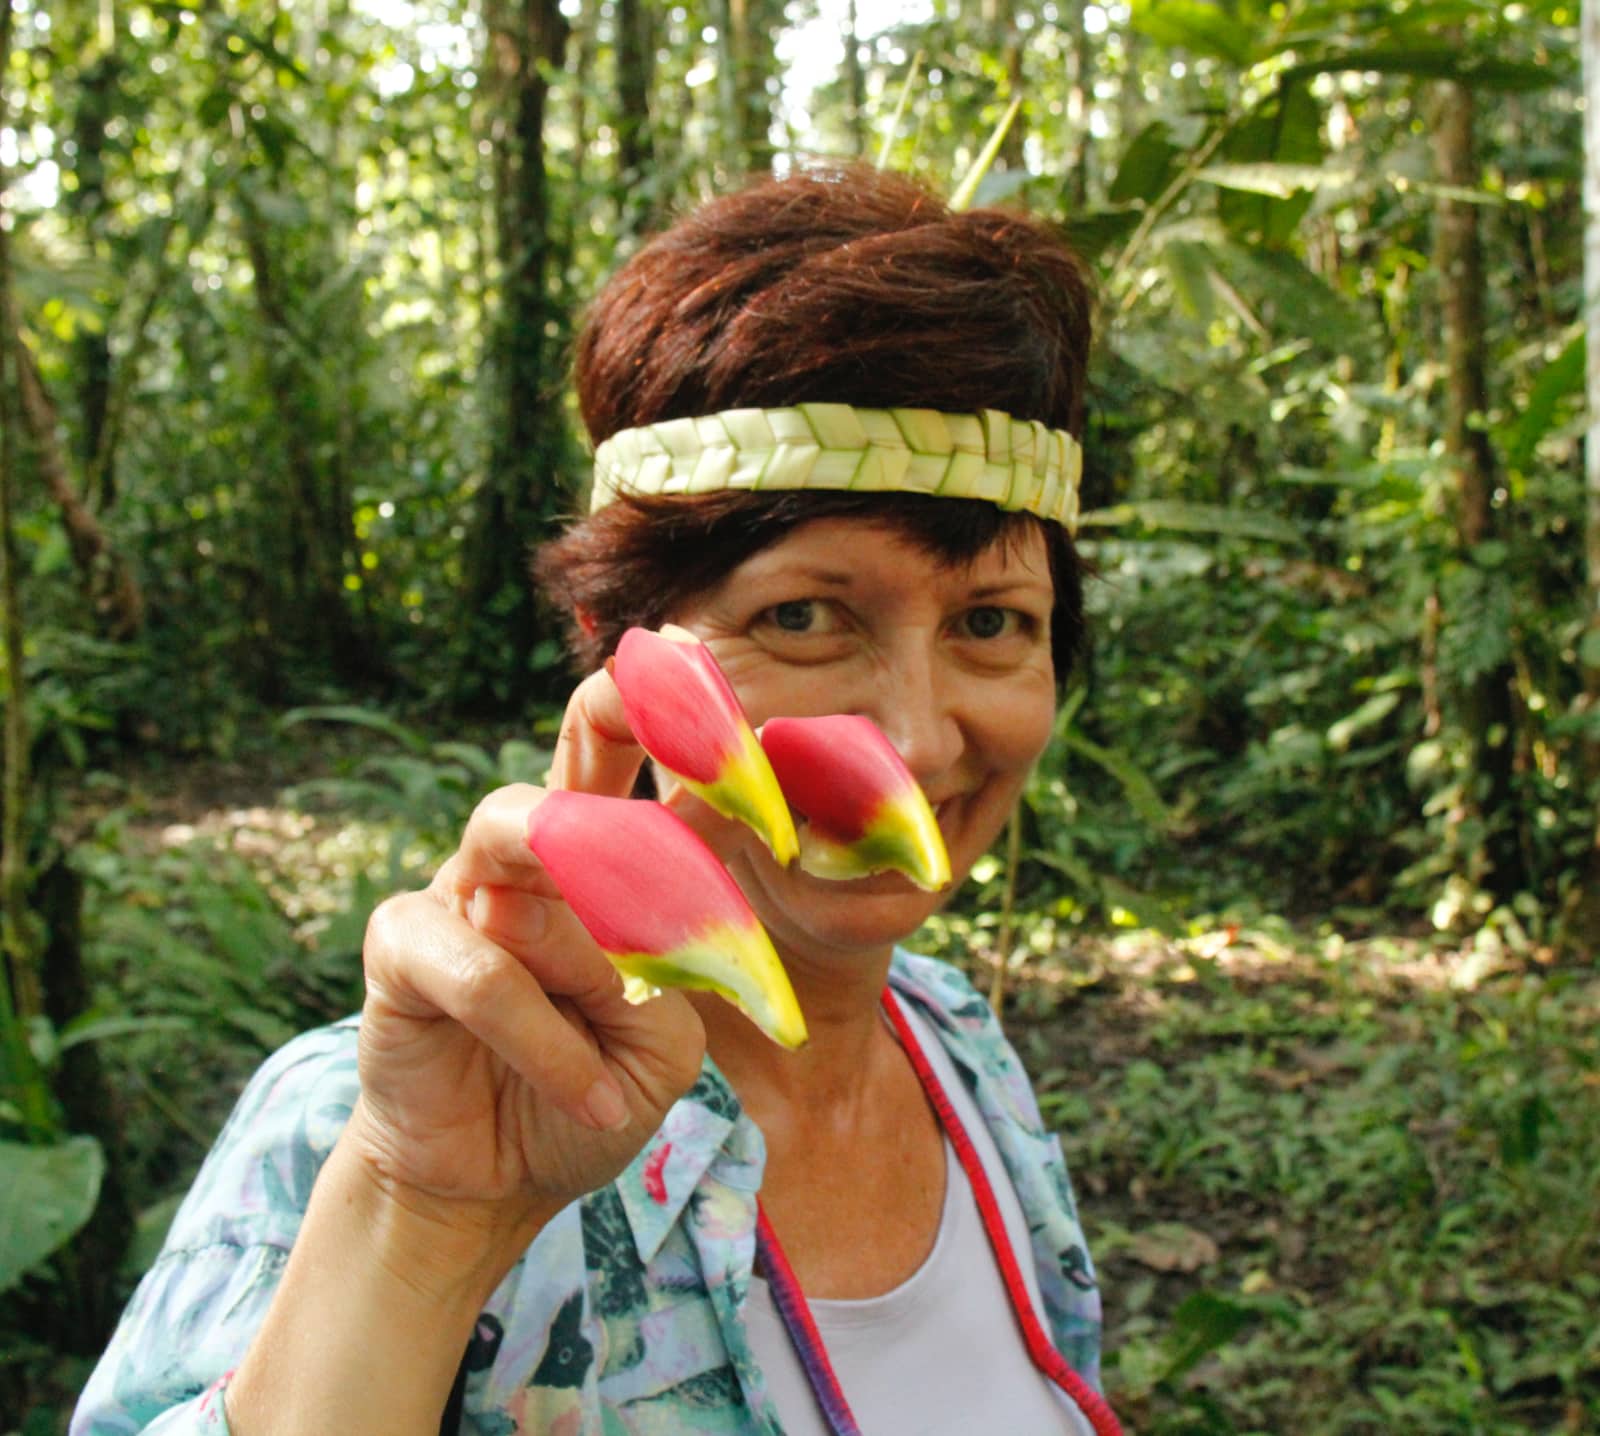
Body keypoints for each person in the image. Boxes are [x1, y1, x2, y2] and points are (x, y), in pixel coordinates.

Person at [73, 165, 1120, 1436]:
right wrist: (425, 1214)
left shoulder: (953, 1040)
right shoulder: (376, 1117)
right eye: (799, 616)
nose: (913, 732)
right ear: (613, 646)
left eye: (992, 622)